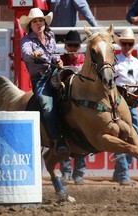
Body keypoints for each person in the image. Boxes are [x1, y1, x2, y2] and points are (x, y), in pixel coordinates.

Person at [19, 8, 70, 158]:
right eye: (35, 21)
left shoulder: (50, 35)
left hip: (54, 73)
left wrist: (58, 60)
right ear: (30, 25)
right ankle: (56, 139)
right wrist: (33, 54)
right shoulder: (26, 41)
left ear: (44, 22)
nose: (38, 23)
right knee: (48, 106)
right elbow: (26, 54)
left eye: (40, 20)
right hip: (40, 79)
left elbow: (54, 54)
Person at [112, 28, 138, 186]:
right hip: (121, 103)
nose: (127, 46)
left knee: (135, 137)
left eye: (129, 43)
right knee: (123, 137)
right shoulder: (115, 61)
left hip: (132, 102)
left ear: (133, 45)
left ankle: (121, 172)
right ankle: (123, 174)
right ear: (120, 44)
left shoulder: (136, 62)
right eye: (124, 43)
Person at [59, 30, 86, 185]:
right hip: (65, 102)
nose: (72, 48)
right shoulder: (60, 60)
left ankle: (78, 172)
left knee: (81, 137)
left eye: (75, 45)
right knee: (64, 135)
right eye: (70, 45)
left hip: (80, 104)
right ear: (65, 45)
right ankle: (67, 172)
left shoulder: (85, 60)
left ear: (79, 46)